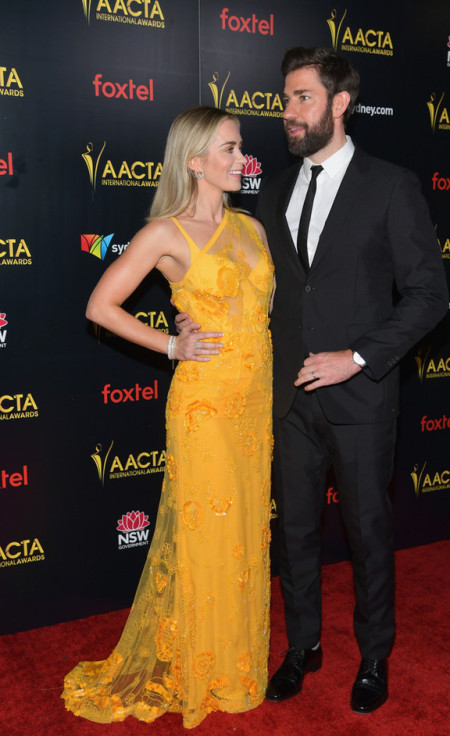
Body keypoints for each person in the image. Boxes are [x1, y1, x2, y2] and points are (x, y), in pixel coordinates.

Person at [61, 106, 275, 729]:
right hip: (204, 405)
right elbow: (100, 305)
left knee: (243, 536)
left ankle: (238, 665)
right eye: (231, 149)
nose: (242, 159)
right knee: (208, 537)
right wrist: (172, 345)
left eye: (241, 148)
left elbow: (255, 313)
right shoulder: (165, 232)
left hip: (254, 402)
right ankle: (204, 673)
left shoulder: (252, 229)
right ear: (195, 160)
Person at [255, 47, 449, 714]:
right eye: (285, 99)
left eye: (301, 97)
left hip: (361, 397)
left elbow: (428, 295)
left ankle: (373, 656)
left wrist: (358, 357)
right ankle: (302, 645)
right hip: (288, 399)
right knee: (296, 534)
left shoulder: (390, 186)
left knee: (368, 534)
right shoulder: (273, 190)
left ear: (340, 104)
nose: (288, 112)